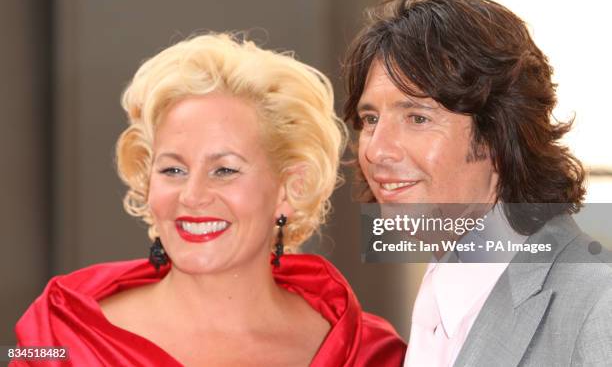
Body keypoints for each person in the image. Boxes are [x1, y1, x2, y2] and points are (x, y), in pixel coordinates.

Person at [14, 33, 406, 366]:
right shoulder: (60, 336)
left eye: (225, 170)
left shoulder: (368, 353)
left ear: (290, 188)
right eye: (172, 170)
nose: (193, 196)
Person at [343, 0, 612, 366]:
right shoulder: (443, 286)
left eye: (417, 118)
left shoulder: (600, 308)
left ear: (498, 134)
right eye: (371, 119)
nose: (375, 149)